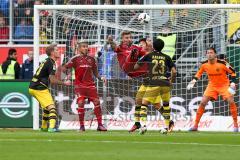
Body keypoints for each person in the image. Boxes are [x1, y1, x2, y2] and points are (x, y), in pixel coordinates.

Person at [187, 47, 238, 132]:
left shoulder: (223, 63)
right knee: (203, 102)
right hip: (212, 86)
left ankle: (236, 125)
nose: (209, 54)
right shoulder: (204, 64)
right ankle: (195, 126)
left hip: (224, 85)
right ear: (206, 55)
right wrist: (192, 82)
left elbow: (233, 72)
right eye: (208, 53)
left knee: (231, 101)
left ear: (215, 54)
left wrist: (233, 82)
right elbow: (198, 74)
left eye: (211, 53)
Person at [134, 38, 177, 134]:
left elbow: (136, 67)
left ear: (153, 46)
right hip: (165, 82)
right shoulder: (167, 57)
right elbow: (174, 71)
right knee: (165, 105)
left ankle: (143, 125)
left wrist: (141, 62)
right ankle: (166, 127)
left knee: (144, 103)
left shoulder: (149, 55)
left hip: (153, 82)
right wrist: (171, 81)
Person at [62, 41, 107, 132]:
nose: (86, 48)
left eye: (87, 46)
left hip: (90, 85)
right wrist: (68, 76)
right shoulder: (75, 59)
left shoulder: (92, 59)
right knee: (81, 103)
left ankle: (100, 125)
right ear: (79, 49)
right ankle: (82, 126)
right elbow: (65, 67)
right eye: (83, 46)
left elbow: (96, 73)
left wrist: (101, 78)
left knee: (97, 101)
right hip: (79, 86)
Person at [29, 44, 70, 133]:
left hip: (34, 86)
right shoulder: (51, 63)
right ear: (52, 53)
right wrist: (64, 83)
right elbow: (52, 80)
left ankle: (44, 127)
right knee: (52, 108)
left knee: (47, 108)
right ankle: (52, 128)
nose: (59, 51)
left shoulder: (47, 61)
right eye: (57, 50)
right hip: (40, 87)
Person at [128, 37, 153, 132]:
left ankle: (144, 125)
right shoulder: (142, 54)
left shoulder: (154, 53)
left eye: (142, 44)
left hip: (155, 83)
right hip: (146, 82)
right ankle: (137, 123)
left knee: (155, 105)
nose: (140, 46)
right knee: (138, 100)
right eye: (140, 45)